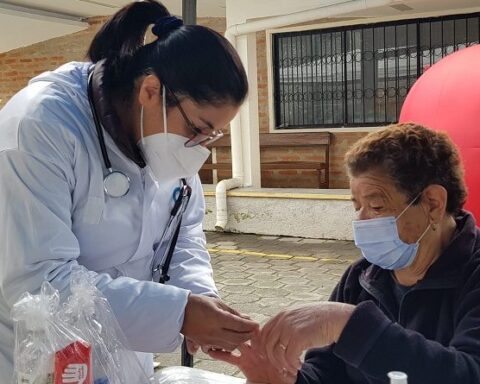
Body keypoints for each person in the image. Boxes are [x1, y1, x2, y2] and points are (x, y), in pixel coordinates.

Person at [0, 0, 259, 380]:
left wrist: (200, 299)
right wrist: (179, 313)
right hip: (40, 358)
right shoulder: (40, 127)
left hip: (123, 353)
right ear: (151, 91)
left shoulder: (165, 138)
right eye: (198, 129)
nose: (200, 147)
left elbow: (182, 236)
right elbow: (38, 282)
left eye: (213, 135)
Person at [210, 123, 480, 384]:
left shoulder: (473, 274)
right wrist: (284, 379)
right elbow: (326, 373)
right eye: (356, 206)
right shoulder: (363, 278)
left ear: (432, 204)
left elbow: (469, 372)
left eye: (376, 206)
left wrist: (347, 325)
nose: (361, 221)